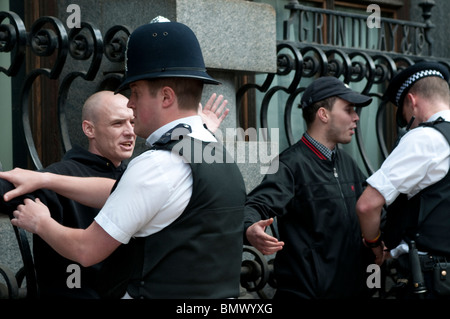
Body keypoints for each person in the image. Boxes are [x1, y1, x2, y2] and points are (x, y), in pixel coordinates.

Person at [1, 20, 246, 299]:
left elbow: (86, 250)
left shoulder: (156, 165)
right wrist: (45, 178)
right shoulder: (214, 153)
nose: (130, 103)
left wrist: (40, 222)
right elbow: (128, 193)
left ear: (166, 96)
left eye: (136, 92)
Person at [0, 90, 227, 298]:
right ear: (89, 129)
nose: (130, 131)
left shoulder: (140, 173)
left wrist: (199, 138)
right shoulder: (62, 174)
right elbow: (10, 190)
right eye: (118, 123)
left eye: (132, 122)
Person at [244, 76, 373, 299]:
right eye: (349, 109)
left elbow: (372, 209)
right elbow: (256, 204)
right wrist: (250, 228)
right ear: (323, 114)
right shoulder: (290, 165)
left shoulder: (348, 163)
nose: (356, 118)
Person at [356, 61, 450, 298]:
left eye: (404, 116)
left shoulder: (425, 137)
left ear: (412, 101)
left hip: (429, 279)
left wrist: (374, 243)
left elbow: (367, 205)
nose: (409, 124)